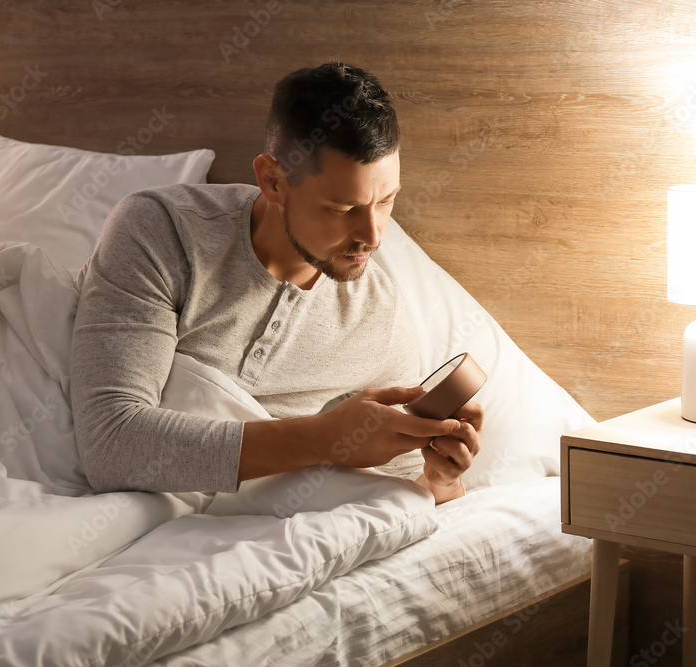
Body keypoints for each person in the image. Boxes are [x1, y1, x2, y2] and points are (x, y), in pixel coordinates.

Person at [69, 62, 481, 505]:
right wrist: (323, 439)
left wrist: (442, 478)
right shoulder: (162, 232)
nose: (373, 236)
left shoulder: (378, 315)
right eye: (343, 209)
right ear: (272, 181)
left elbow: (400, 491)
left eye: (385, 201)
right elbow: (110, 444)